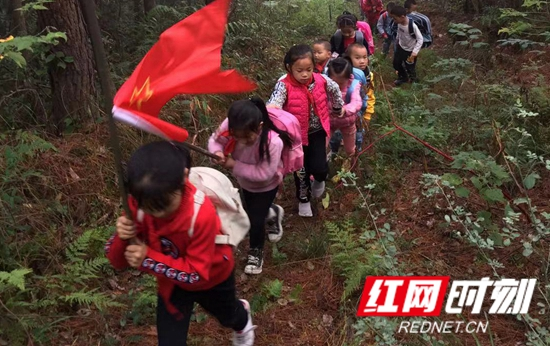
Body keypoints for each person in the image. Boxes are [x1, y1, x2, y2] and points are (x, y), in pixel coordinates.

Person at [105, 141, 255, 346]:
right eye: (147, 206)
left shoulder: (200, 215)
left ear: (184, 178)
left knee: (229, 316)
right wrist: (122, 237)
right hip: (172, 282)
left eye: (163, 205)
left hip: (212, 277)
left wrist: (147, 257)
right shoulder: (141, 201)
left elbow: (196, 274)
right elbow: (117, 261)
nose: (156, 214)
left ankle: (242, 318)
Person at [208, 97, 291, 275]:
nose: (241, 140)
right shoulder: (230, 126)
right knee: (249, 209)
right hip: (244, 181)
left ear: (259, 126)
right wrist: (216, 152)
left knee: (255, 219)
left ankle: (256, 251)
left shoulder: (273, 142)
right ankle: (273, 213)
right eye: (236, 136)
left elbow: (264, 174)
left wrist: (233, 165)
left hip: (267, 185)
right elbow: (216, 140)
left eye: (246, 137)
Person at [267, 44, 344, 217]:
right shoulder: (283, 85)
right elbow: (274, 104)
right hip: (295, 137)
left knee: (319, 167)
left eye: (308, 69)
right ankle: (304, 201)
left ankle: (319, 180)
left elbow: (335, 89)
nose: (304, 74)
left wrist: (338, 107)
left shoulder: (321, 80)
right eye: (299, 70)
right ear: (289, 68)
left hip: (317, 132)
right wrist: (270, 113)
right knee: (300, 170)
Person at [326, 58, 362, 159]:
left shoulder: (353, 87)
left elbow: (357, 102)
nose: (336, 86)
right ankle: (330, 156)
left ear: (349, 78)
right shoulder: (324, 84)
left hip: (347, 122)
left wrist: (345, 110)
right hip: (328, 121)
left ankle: (351, 164)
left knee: (350, 149)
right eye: (333, 82)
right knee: (320, 146)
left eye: (340, 84)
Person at [390, 5, 423, 86]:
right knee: (396, 64)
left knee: (410, 67)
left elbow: (420, 39)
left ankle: (414, 82)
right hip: (400, 47)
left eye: (395, 18)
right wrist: (397, 40)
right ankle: (403, 77)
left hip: (410, 51)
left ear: (402, 17)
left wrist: (414, 52)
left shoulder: (412, 26)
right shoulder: (399, 23)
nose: (393, 20)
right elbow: (399, 32)